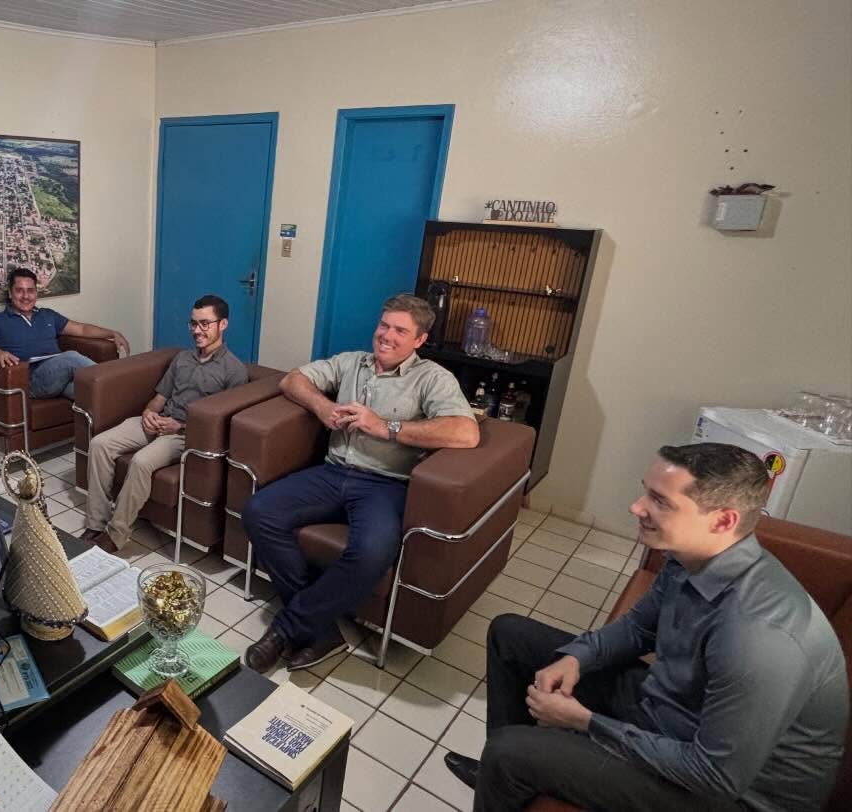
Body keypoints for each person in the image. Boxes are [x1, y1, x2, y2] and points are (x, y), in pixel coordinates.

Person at [446, 443, 848, 811]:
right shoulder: (688, 558)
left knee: (510, 751)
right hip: (675, 714)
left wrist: (584, 721)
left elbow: (715, 776)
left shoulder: (760, 637)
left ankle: (508, 769)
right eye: (646, 492)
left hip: (726, 793)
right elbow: (639, 628)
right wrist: (577, 657)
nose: (636, 507)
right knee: (510, 635)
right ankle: (507, 784)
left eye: (659, 500)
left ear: (723, 521)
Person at [241, 293, 478, 673]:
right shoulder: (352, 362)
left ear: (419, 340)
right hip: (332, 472)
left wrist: (385, 427)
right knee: (259, 511)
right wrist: (322, 406)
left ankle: (287, 628)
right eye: (384, 325)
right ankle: (321, 630)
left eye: (400, 331)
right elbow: (292, 380)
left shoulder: (432, 378)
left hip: (386, 484)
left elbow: (466, 432)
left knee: (372, 552)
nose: (387, 335)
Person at [83, 295, 248, 552]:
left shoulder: (234, 370)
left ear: (223, 324)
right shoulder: (182, 358)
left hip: (185, 434)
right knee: (99, 443)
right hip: (159, 421)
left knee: (141, 462)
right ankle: (95, 523)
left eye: (205, 324)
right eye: (193, 323)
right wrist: (148, 412)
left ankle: (115, 535)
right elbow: (160, 397)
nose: (197, 330)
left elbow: (222, 426)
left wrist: (179, 427)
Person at [0, 267, 129, 399]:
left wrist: (112, 333)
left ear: (36, 293)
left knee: (97, 396)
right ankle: (120, 382)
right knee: (71, 357)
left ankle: (127, 405)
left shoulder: (47, 315)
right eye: (19, 290)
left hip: (59, 377)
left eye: (30, 290)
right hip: (34, 380)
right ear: (11, 294)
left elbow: (81, 329)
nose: (26, 296)